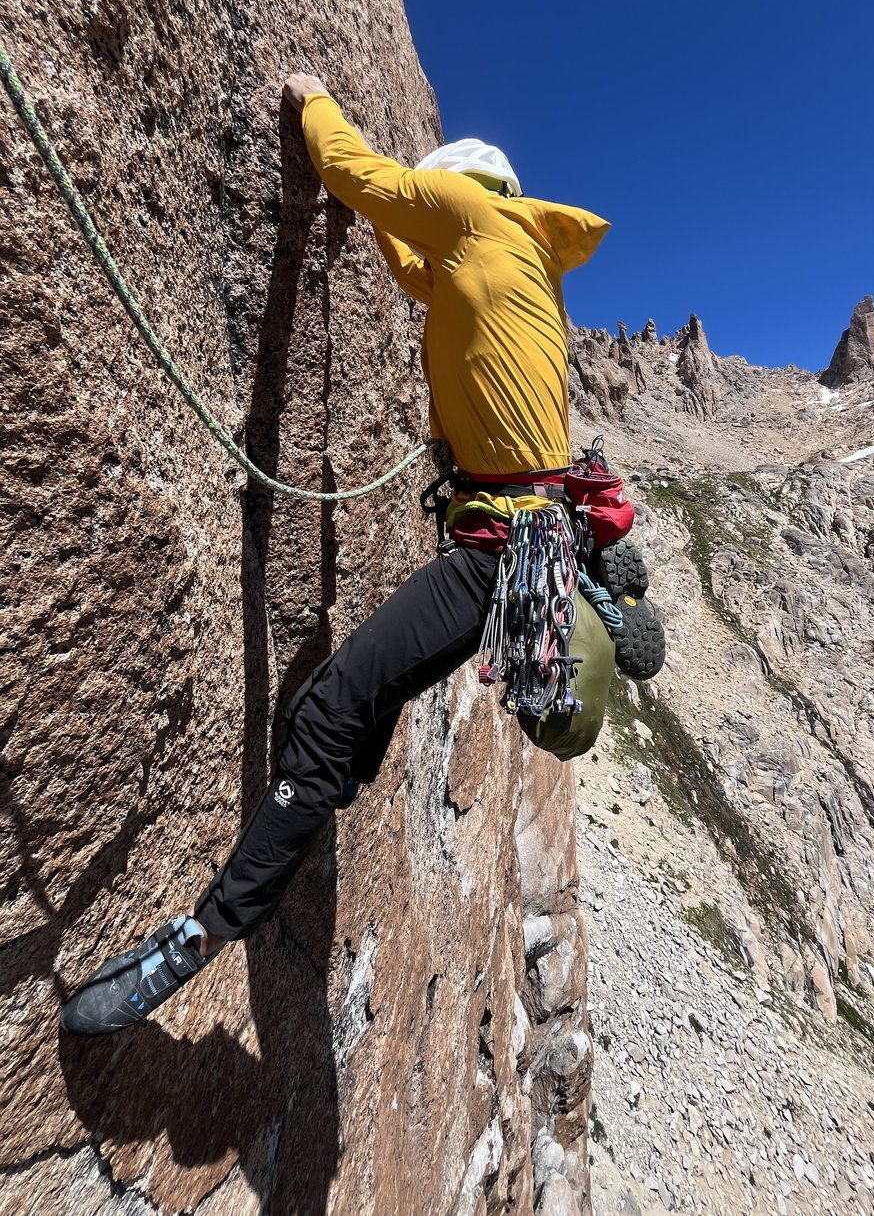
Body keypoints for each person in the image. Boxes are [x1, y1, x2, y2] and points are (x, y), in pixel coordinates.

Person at [60, 72, 613, 1034]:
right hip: (523, 548)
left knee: (334, 705)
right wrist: (382, 234)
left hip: (494, 551)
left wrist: (313, 101)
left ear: (463, 191)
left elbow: (360, 174)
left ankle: (201, 934)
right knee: (359, 703)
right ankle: (318, 792)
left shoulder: (473, 215)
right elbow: (415, 269)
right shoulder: (515, 256)